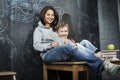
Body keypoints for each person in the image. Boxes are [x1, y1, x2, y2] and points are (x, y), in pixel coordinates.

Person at [33, 5, 120, 76]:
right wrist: (50, 45)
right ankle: (104, 64)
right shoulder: (39, 30)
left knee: (84, 42)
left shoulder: (54, 29)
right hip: (48, 55)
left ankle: (96, 54)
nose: (51, 17)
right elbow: (36, 46)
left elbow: (62, 43)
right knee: (71, 46)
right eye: (48, 14)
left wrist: (69, 43)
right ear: (43, 15)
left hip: (61, 51)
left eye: (52, 15)